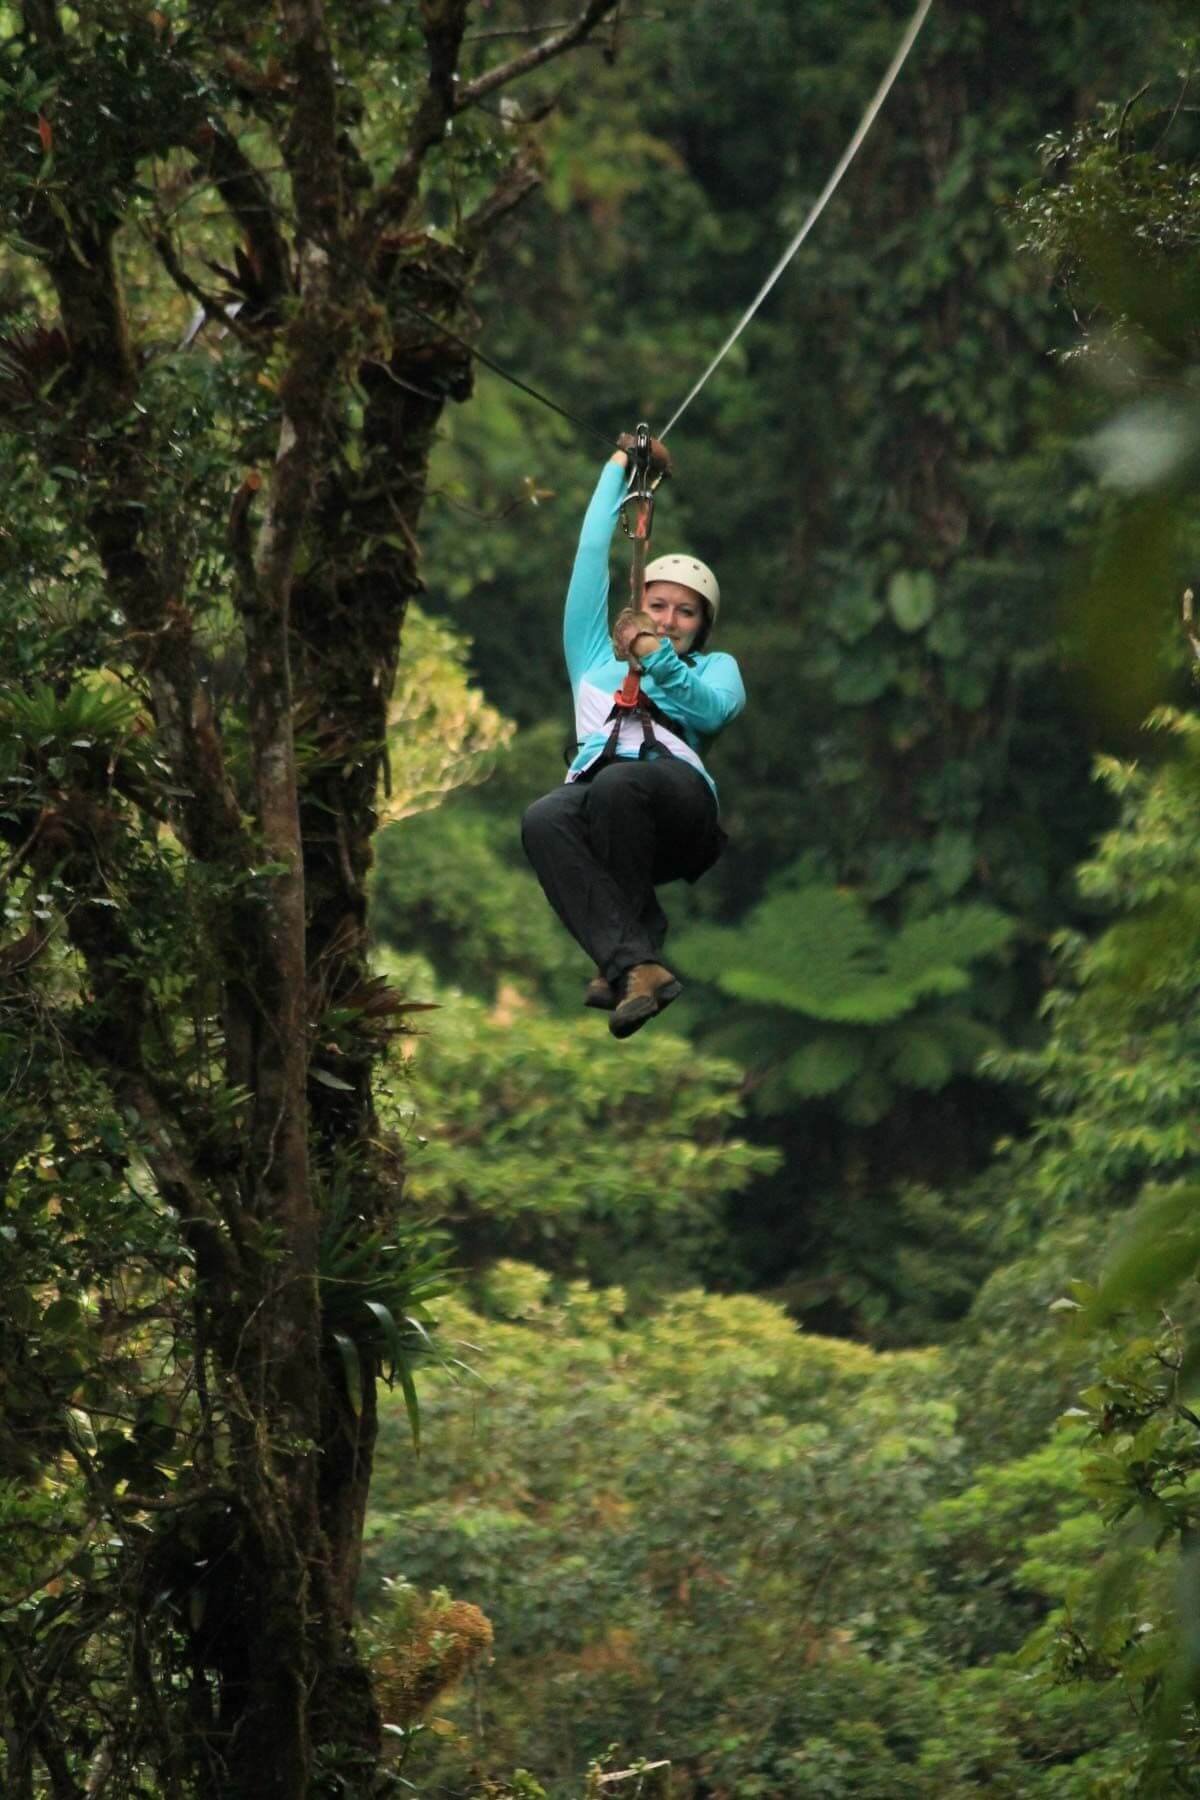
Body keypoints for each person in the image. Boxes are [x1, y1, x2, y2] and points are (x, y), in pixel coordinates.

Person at [521, 435, 746, 1039]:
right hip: (605, 804)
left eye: (685, 612)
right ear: (637, 603)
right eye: (659, 605)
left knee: (620, 784)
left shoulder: (713, 668)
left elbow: (712, 712)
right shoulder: (594, 659)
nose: (669, 621)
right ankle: (632, 964)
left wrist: (656, 658)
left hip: (677, 807)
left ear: (702, 627)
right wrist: (620, 467)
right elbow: (591, 553)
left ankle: (634, 945)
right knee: (544, 817)